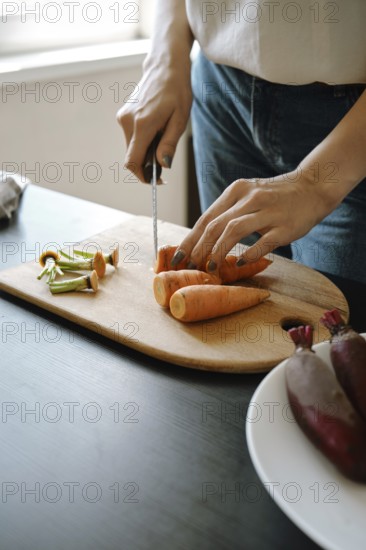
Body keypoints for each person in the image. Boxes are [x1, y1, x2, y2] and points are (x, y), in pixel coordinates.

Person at [117, 0, 366, 284]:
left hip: (352, 128)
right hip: (221, 95)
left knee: (339, 319)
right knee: (225, 310)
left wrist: (315, 184)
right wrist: (165, 58)